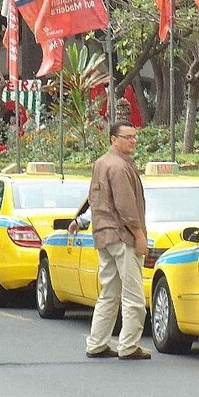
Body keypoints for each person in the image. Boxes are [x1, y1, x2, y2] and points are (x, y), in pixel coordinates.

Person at [70, 121, 150, 360]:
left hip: (104, 236)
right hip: (122, 235)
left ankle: (97, 343)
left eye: (135, 136)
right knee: (134, 296)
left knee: (110, 291)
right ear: (114, 139)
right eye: (128, 137)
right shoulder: (118, 167)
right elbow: (126, 207)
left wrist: (82, 221)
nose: (133, 140)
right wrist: (139, 235)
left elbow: (95, 200)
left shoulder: (102, 163)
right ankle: (128, 346)